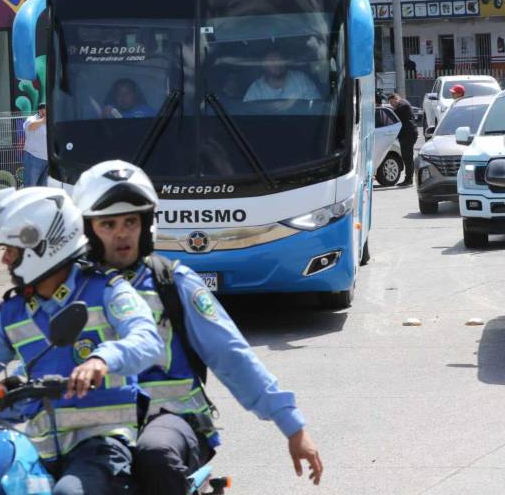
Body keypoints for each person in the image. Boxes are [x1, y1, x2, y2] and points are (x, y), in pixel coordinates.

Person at [72, 161, 324, 493]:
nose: (122, 233)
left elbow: (232, 355)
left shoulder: (172, 283)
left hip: (172, 420)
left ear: (146, 223)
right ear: (89, 230)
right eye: (108, 224)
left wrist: (293, 426)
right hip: (96, 427)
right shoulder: (70, 291)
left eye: (131, 221)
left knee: (155, 454)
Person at [0, 186, 165, 495]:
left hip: (102, 445)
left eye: (11, 250)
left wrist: (101, 359)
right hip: (37, 448)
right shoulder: (12, 312)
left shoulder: (107, 291)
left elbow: (147, 339)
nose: (4, 260)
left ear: (42, 247)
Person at [243, 45, 320, 102]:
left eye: (280, 59)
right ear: (264, 65)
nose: (277, 63)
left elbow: (316, 107)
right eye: (272, 60)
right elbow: (247, 114)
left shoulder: (301, 80)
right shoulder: (256, 89)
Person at [388, 92, 418, 187]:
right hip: (407, 133)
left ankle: (408, 180)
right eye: (391, 104)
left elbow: (394, 113)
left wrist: (393, 108)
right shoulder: (402, 104)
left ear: (396, 98)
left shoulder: (402, 105)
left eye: (392, 102)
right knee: (407, 157)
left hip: (408, 134)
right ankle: (409, 179)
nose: (392, 105)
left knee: (407, 157)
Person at [23, 103, 48, 187]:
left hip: (47, 160)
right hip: (33, 158)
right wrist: (43, 120)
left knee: (43, 190)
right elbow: (30, 127)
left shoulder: (50, 121)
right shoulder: (32, 119)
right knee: (30, 188)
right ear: (40, 110)